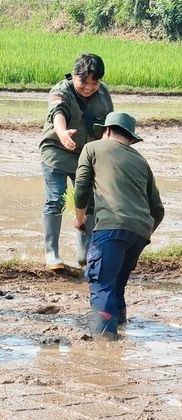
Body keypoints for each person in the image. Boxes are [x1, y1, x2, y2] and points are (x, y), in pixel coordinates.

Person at [73, 112, 164, 340]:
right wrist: (142, 231)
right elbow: (158, 210)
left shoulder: (92, 148)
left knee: (101, 281)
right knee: (118, 280)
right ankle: (120, 323)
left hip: (111, 226)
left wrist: (79, 218)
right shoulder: (142, 161)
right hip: (140, 231)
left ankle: (105, 342)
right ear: (131, 139)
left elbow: (81, 187)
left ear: (107, 130)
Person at [40, 53, 114, 269]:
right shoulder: (61, 90)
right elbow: (58, 113)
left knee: (89, 201)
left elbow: (109, 122)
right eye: (84, 81)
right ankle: (51, 253)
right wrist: (62, 134)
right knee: (56, 198)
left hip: (87, 154)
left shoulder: (103, 93)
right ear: (74, 76)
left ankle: (85, 252)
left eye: (95, 82)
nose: (89, 87)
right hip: (57, 151)